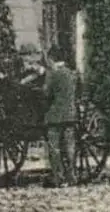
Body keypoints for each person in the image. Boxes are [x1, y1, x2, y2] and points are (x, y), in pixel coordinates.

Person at [43, 46, 77, 188]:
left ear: (51, 59)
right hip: (70, 115)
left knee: (54, 148)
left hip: (55, 116)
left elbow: (47, 94)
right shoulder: (72, 73)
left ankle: (59, 178)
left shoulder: (52, 74)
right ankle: (72, 177)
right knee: (69, 147)